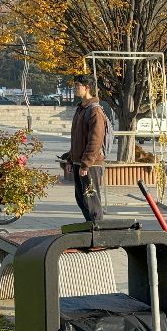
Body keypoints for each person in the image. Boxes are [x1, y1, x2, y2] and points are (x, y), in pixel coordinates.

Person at [67, 74, 107, 222]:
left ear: (87, 87)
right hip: (79, 162)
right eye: (75, 85)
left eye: (77, 85)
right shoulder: (81, 109)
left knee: (91, 199)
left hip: (90, 164)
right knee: (81, 198)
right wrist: (71, 160)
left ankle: (98, 230)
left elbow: (95, 140)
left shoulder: (94, 110)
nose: (75, 88)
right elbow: (76, 138)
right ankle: (90, 226)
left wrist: (86, 163)